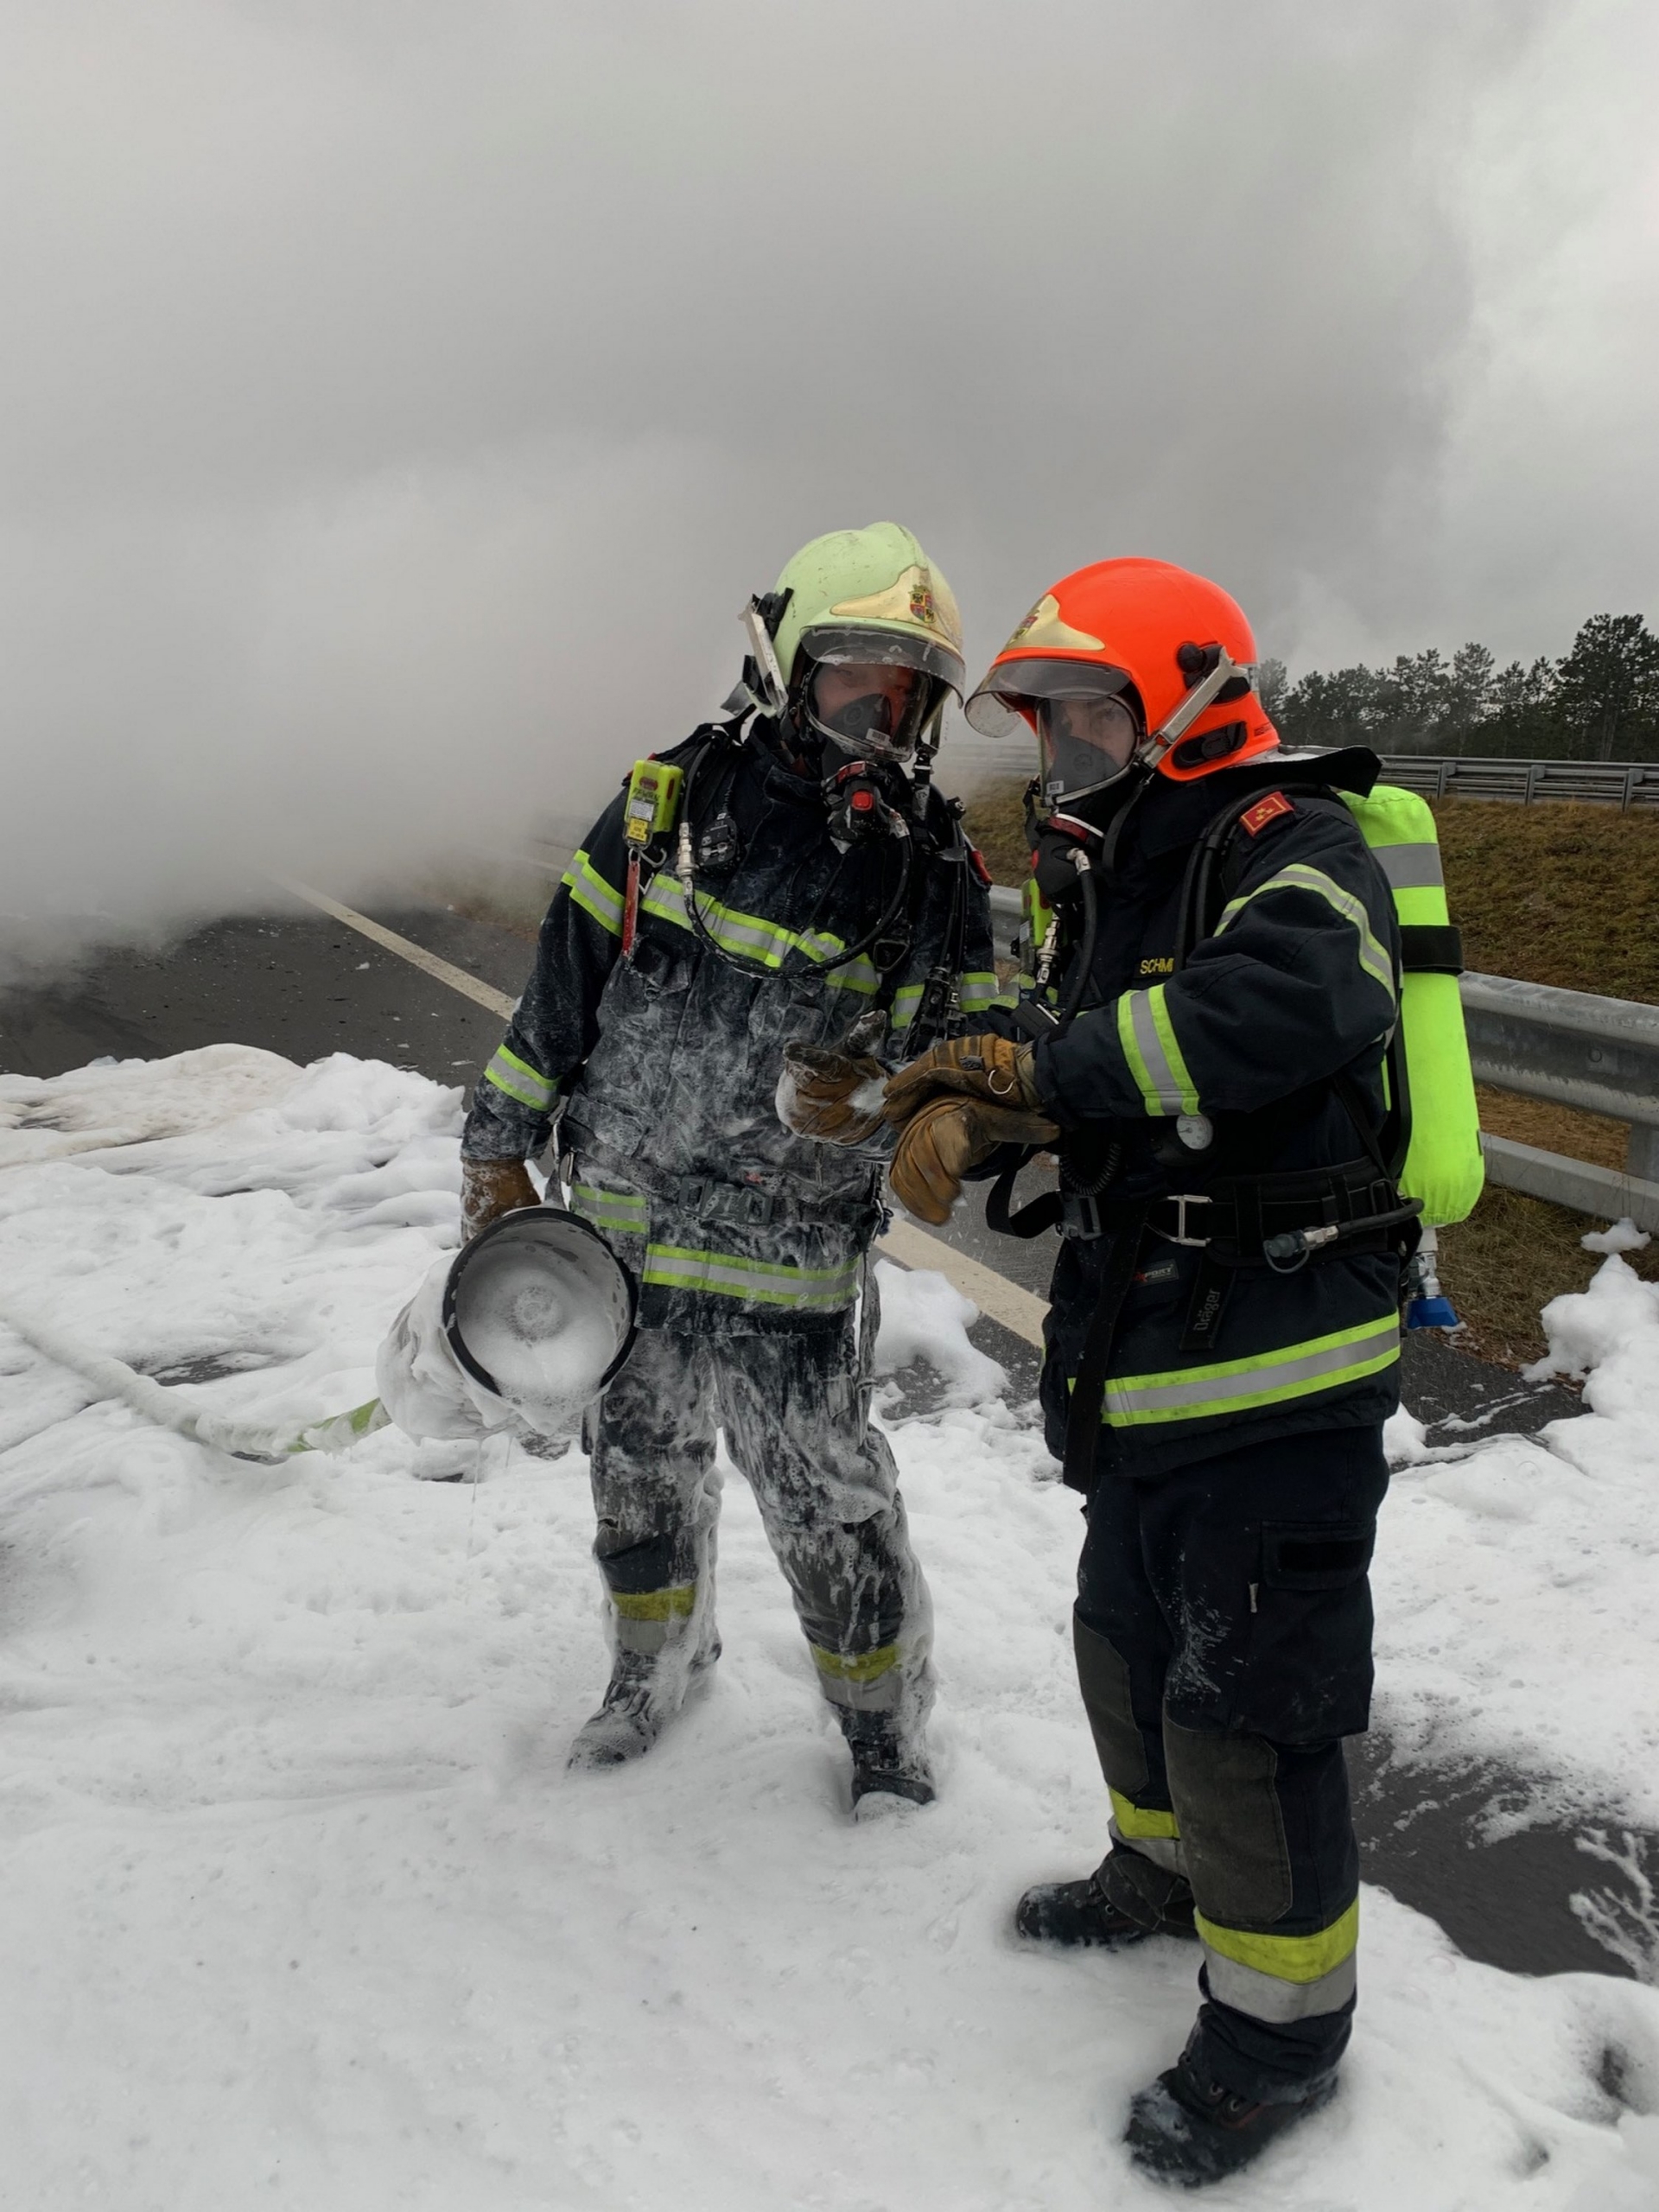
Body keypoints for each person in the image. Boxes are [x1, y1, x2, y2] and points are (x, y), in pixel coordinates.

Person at [880, 558, 1414, 2183]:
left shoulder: (1291, 841)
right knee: (1125, 1641)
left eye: (1090, 715)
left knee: (1247, 1703)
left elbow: (1291, 1003)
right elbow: (1108, 1079)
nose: (1064, 751)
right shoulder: (1112, 873)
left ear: (1191, 703)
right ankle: (1163, 1877)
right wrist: (992, 1113)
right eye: (1048, 723)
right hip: (1157, 1350)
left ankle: (1277, 2038)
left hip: (1284, 1357)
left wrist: (1043, 1067)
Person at [459, 521, 1003, 1810]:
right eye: (854, 677)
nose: (880, 716)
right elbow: (560, 992)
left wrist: (891, 1104)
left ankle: (883, 1733)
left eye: (907, 692)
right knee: (638, 1472)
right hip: (629, 1234)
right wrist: (495, 1152)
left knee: (830, 1501)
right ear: (784, 663)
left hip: (793, 1255)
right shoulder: (665, 809)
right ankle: (650, 1672)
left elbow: (967, 1070)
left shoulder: (936, 873)